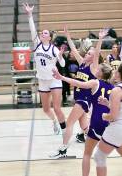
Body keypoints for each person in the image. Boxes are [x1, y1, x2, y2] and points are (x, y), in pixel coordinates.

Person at [49, 26, 108, 157]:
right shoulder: (82, 63)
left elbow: (97, 53)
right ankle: (103, 142)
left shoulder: (93, 67)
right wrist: (68, 35)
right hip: (79, 99)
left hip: (84, 100)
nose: (86, 54)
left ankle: (63, 150)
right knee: (85, 127)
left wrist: (100, 39)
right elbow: (74, 49)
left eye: (89, 54)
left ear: (93, 58)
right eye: (87, 53)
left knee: (69, 123)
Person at [52, 63, 114, 175]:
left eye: (98, 68)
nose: (96, 69)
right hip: (109, 123)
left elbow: (78, 83)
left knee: (87, 154)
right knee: (102, 156)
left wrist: (62, 77)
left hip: (97, 122)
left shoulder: (95, 82)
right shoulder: (113, 87)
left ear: (101, 73)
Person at [22, 3, 66, 135]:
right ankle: (54, 122)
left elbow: (63, 65)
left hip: (54, 80)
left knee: (57, 108)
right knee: (46, 109)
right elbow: (32, 30)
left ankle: (65, 130)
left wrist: (60, 57)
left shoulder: (54, 49)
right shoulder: (37, 45)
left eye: (45, 33)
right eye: (42, 32)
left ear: (50, 37)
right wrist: (30, 15)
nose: (42, 33)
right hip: (42, 80)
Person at [94, 63, 122, 176]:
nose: (114, 73)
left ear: (119, 74)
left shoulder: (117, 90)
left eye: (116, 71)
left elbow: (113, 116)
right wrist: (108, 103)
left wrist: (104, 116)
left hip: (118, 127)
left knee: (99, 156)